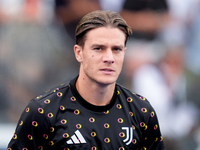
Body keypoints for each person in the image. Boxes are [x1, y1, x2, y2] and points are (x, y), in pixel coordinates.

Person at [7, 10, 164, 150]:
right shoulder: (43, 112)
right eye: (98, 48)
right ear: (78, 53)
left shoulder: (141, 112)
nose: (109, 58)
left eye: (116, 49)